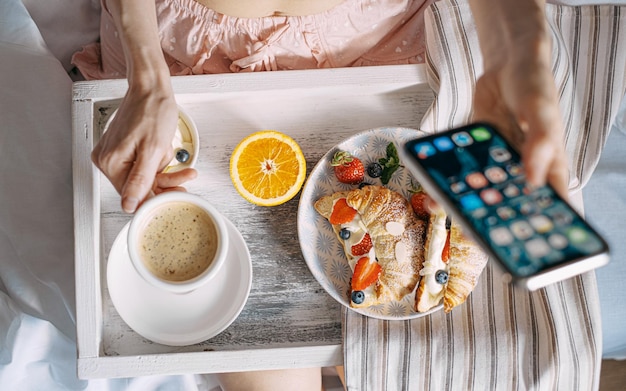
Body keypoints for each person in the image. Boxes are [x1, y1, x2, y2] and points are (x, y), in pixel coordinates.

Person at [72, 0, 569, 389]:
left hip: (378, 37)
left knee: (418, 366)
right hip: (175, 47)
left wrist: (518, 50)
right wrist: (147, 73)